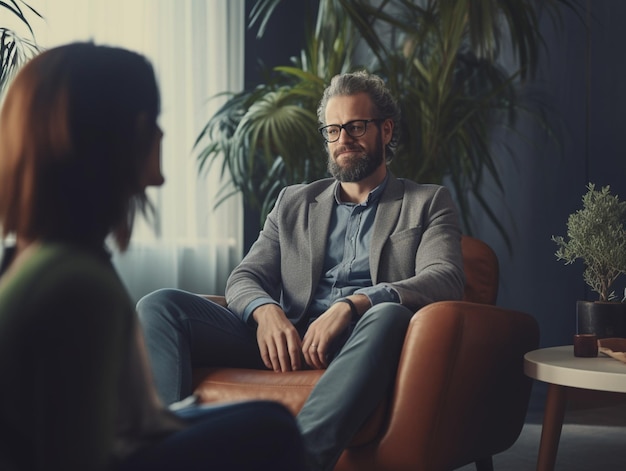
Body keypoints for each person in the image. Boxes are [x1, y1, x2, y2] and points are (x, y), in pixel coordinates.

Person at [137, 70, 466, 471]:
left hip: (364, 342)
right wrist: (264, 311)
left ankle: (296, 462)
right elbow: (244, 277)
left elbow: (444, 278)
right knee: (160, 305)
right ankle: (167, 456)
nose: (343, 139)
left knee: (388, 313)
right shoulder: (294, 202)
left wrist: (354, 305)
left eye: (356, 126)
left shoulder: (426, 202)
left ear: (386, 130)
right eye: (333, 129)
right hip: (288, 341)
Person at [0, 42, 304, 471]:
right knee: (272, 429)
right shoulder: (78, 283)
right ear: (125, 134)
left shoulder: (31, 260)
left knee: (257, 420)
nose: (162, 134)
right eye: (153, 120)